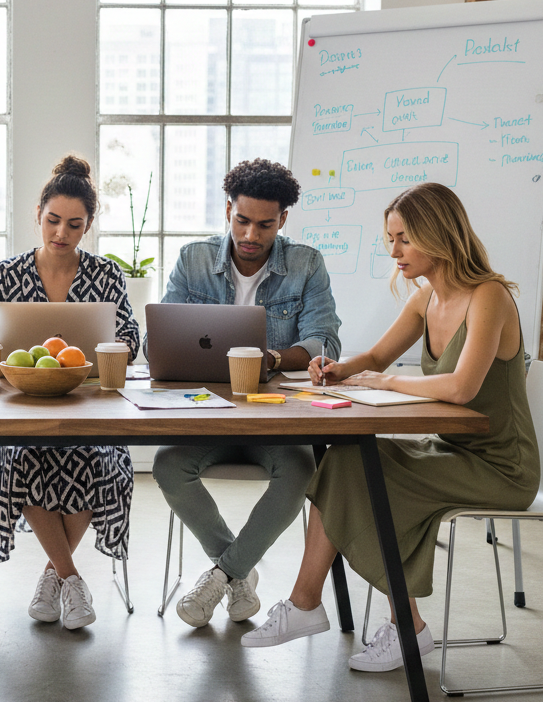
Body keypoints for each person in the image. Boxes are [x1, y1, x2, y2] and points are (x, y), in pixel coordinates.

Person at [242, 182, 540, 673]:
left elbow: (462, 387)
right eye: (390, 238)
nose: (394, 251)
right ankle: (314, 605)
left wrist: (386, 380)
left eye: (404, 238)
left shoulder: (489, 297)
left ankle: (392, 625)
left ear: (439, 234)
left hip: (502, 467)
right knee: (346, 457)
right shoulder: (427, 299)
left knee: (367, 478)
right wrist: (338, 368)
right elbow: (377, 355)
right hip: (450, 450)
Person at [148, 158, 341, 628]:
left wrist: (271, 359)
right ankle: (237, 573)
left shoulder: (306, 263)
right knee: (169, 465)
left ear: (284, 220)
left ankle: (220, 574)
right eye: (242, 220)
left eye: (265, 224)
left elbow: (325, 341)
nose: (251, 235)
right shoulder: (193, 259)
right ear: (228, 210)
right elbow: (158, 338)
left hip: (272, 413)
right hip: (205, 413)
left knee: (299, 467)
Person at [0, 155, 140, 630]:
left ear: (88, 226)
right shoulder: (8, 273)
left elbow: (131, 339)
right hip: (20, 408)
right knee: (12, 462)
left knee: (106, 462)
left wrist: (112, 349)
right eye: (52, 220)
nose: (60, 233)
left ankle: (53, 576)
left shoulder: (106, 275)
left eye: (74, 224)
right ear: (37, 213)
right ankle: (71, 578)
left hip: (89, 409)